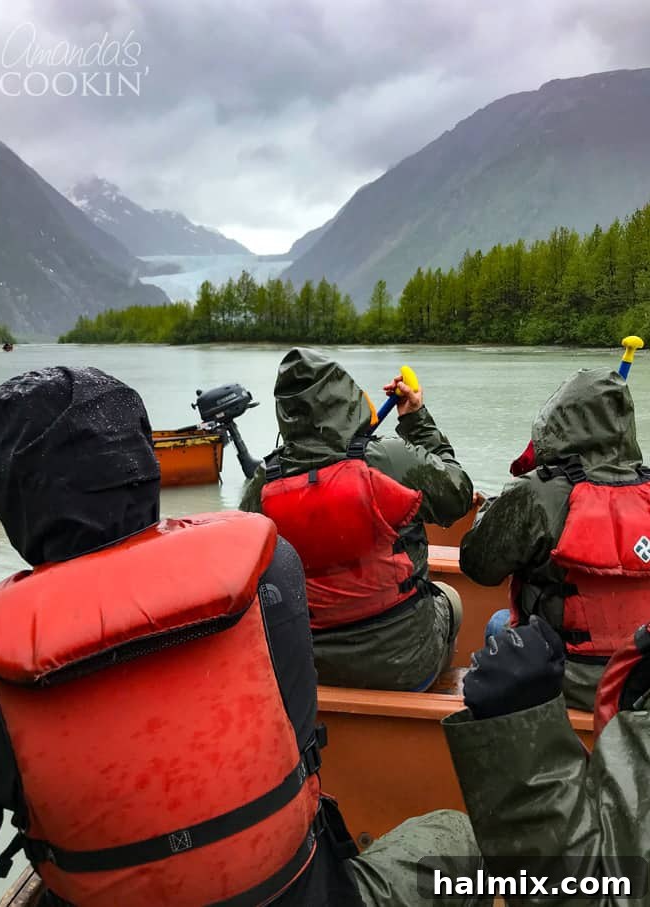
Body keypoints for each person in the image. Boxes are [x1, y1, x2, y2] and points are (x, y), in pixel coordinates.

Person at [0, 365, 482, 907]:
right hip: (299, 892)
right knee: (460, 836)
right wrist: (417, 420)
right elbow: (458, 498)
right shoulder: (268, 569)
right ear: (145, 464)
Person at [240, 347, 473, 692]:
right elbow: (458, 494)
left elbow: (247, 568)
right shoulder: (387, 458)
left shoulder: (263, 482)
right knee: (450, 597)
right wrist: (415, 419)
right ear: (346, 398)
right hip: (406, 664)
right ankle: (430, 705)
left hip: (311, 665)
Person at [460, 367, 650, 711]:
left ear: (555, 423)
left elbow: (479, 567)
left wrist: (498, 504)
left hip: (566, 678)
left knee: (498, 624)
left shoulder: (537, 491)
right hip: (643, 680)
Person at [441, 614, 650, 904]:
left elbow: (485, 570)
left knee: (452, 832)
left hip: (574, 674)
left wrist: (518, 716)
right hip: (601, 680)